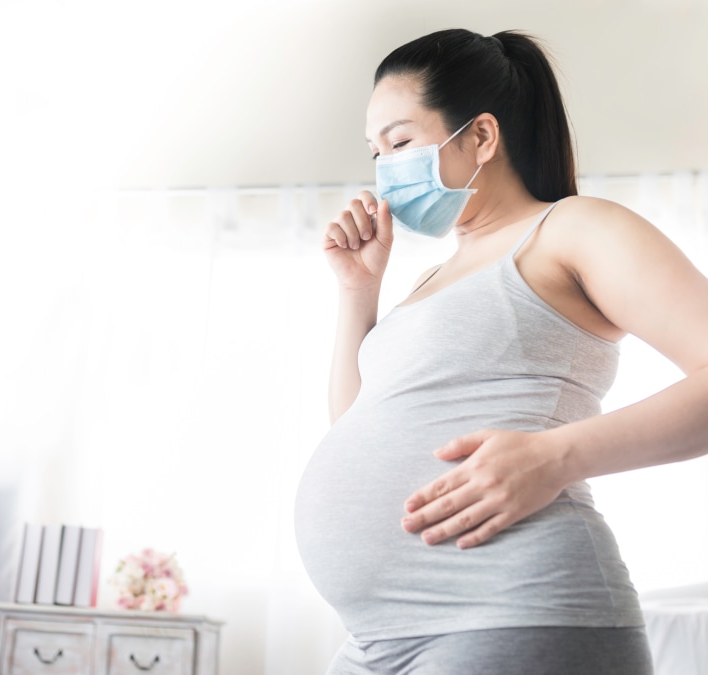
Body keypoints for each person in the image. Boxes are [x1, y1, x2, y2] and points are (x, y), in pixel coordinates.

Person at [293, 28, 708, 675]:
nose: (384, 169)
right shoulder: (430, 280)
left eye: (399, 143)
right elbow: (355, 426)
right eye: (375, 153)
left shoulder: (572, 228)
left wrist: (555, 455)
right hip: (378, 637)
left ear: (482, 136)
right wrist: (359, 291)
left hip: (514, 607)